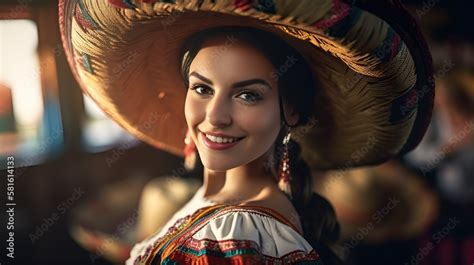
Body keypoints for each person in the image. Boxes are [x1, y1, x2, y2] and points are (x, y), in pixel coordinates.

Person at [59, 0, 434, 264]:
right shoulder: (219, 214)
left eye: (248, 95)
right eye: (202, 88)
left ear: (290, 109)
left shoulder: (239, 232)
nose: (216, 116)